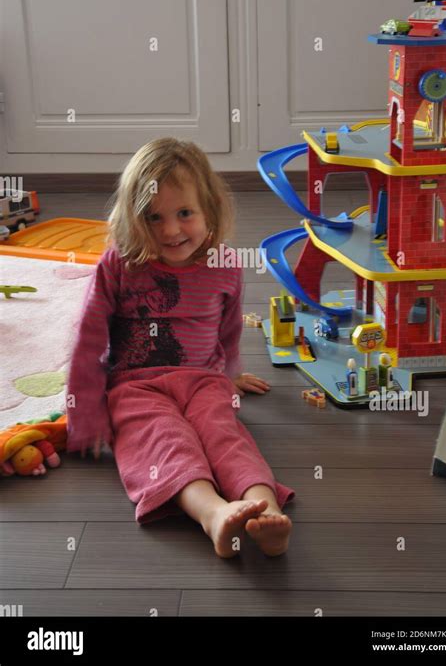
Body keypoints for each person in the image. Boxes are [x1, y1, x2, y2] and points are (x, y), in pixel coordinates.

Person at [66, 138, 295, 558]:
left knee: (226, 437)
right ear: (134, 219)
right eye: (154, 218)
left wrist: (228, 374)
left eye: (185, 213)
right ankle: (213, 515)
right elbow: (90, 336)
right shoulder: (118, 264)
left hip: (203, 379)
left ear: (209, 208)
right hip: (136, 386)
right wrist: (84, 412)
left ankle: (267, 512)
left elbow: (228, 327)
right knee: (165, 442)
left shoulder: (225, 263)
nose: (171, 230)